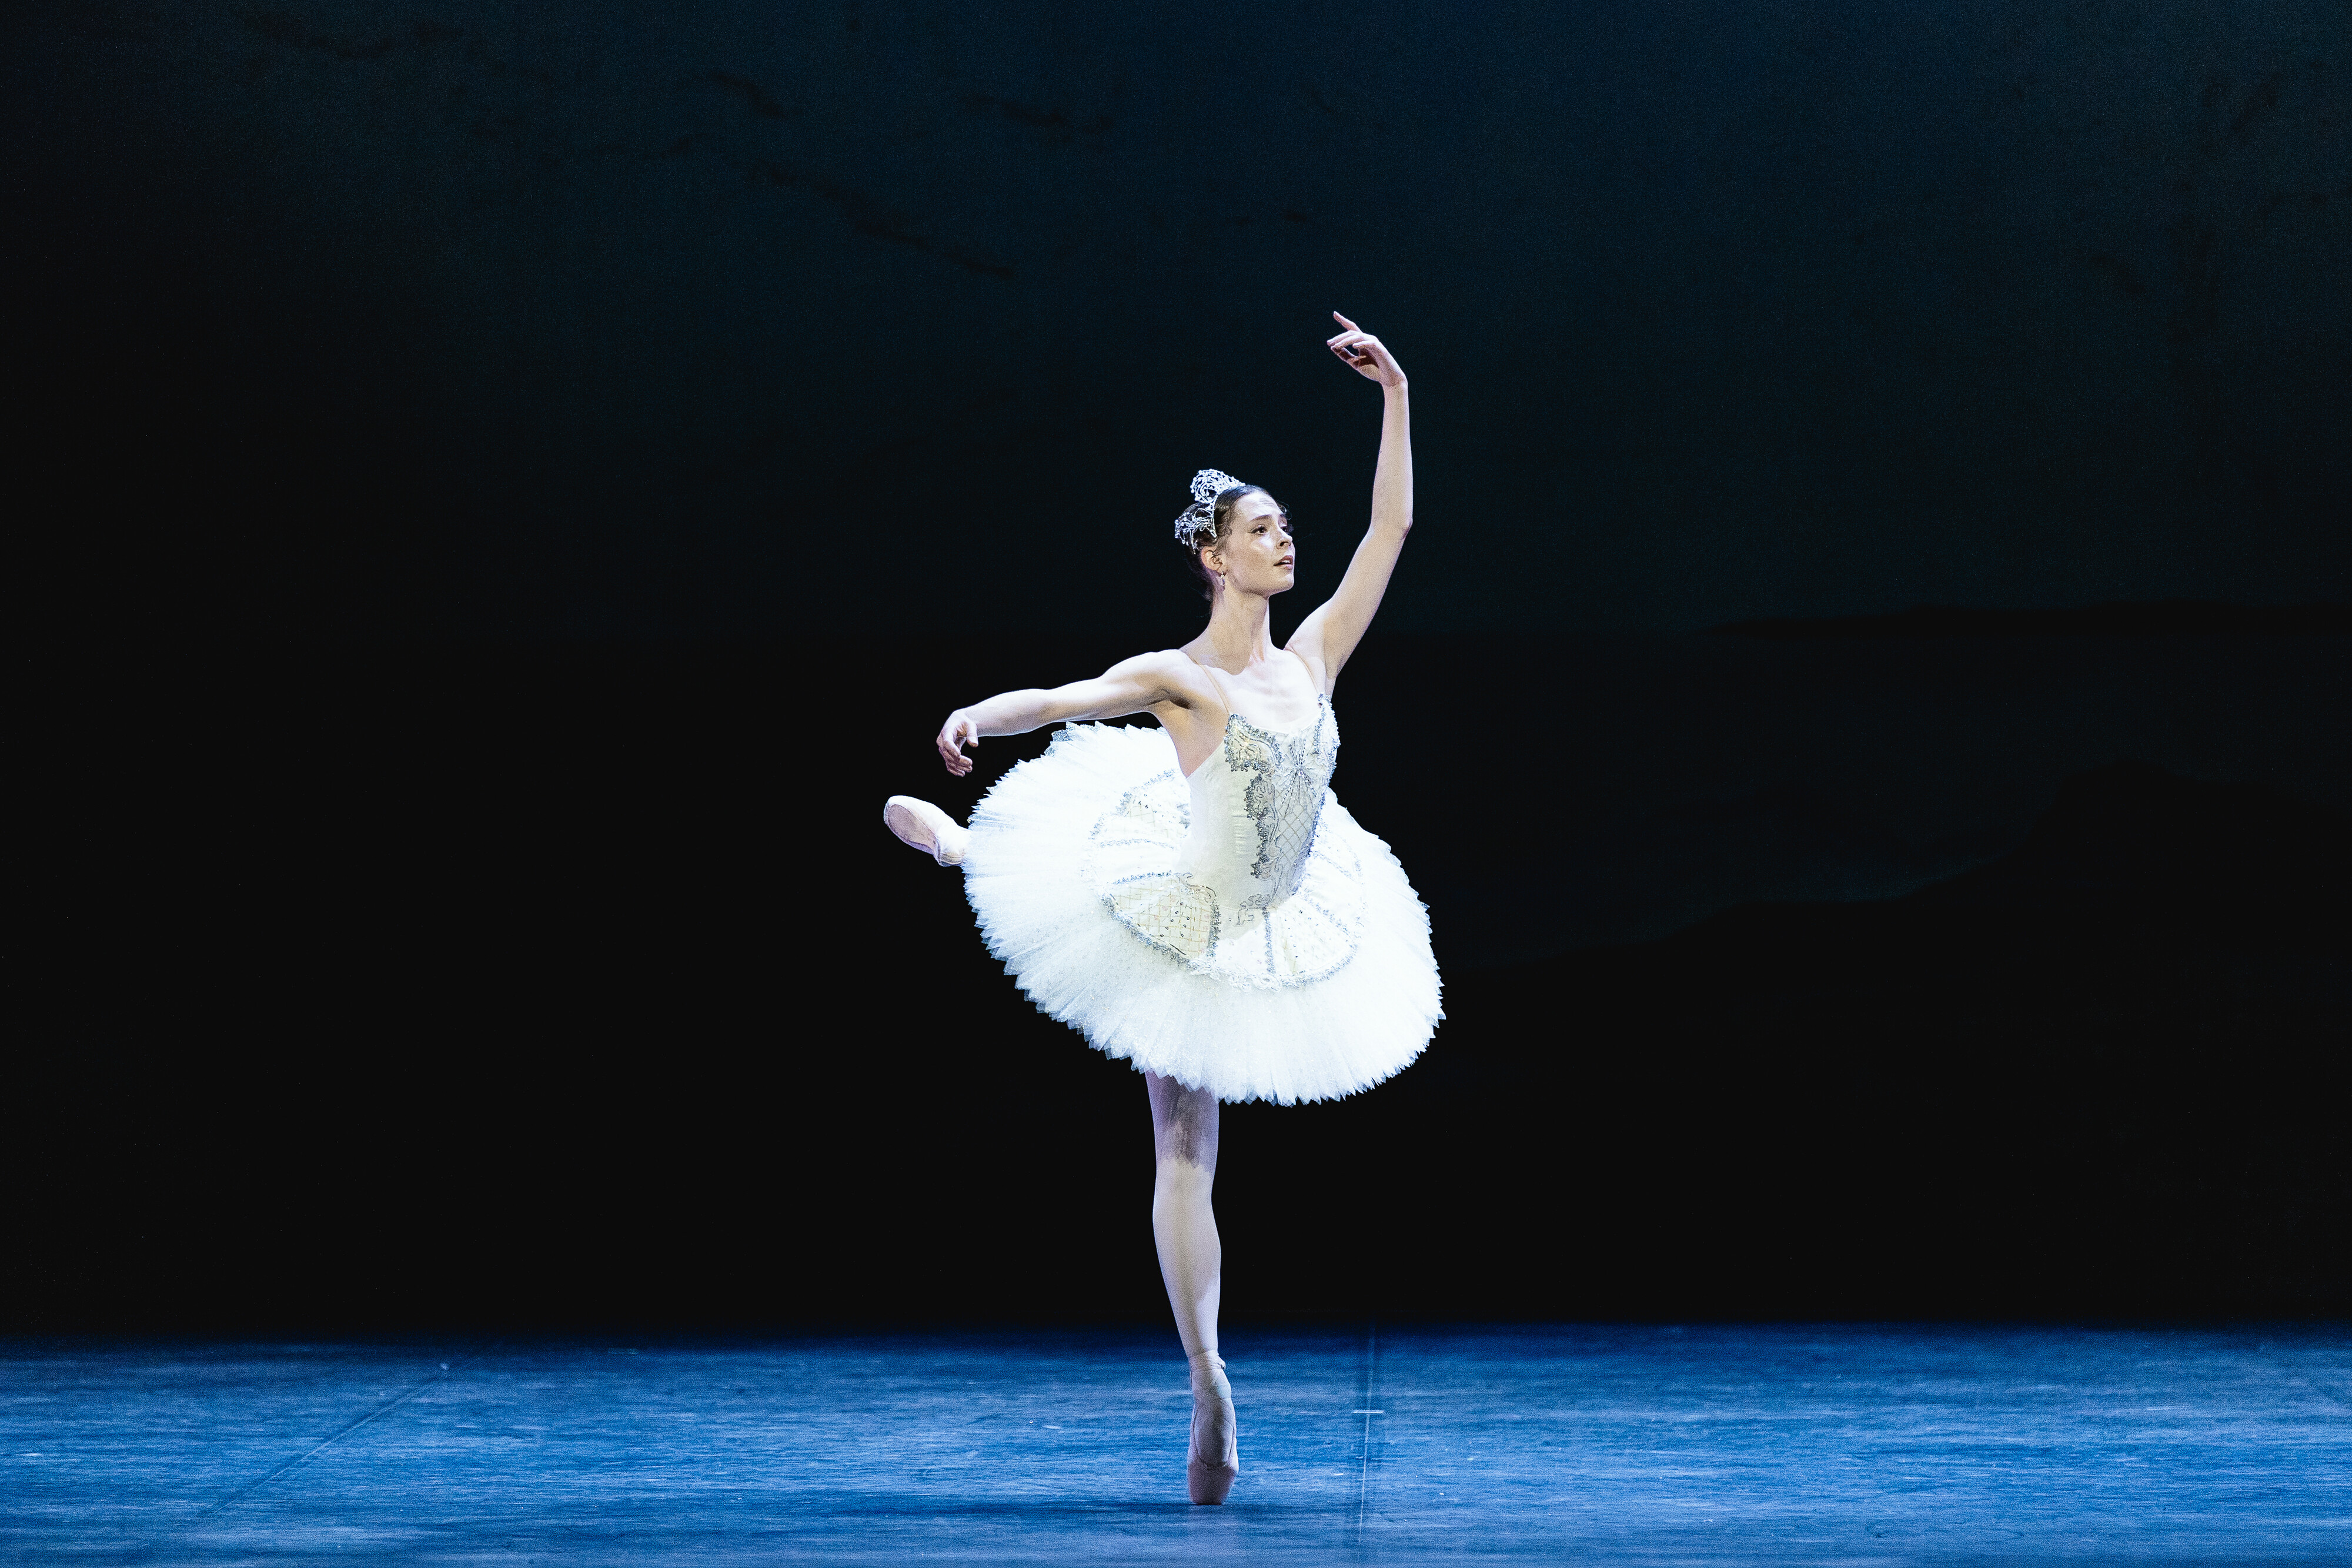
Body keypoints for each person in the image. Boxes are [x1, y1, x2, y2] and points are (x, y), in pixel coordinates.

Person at [882, 312, 1441, 1505]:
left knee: (1195, 1143)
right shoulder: (1177, 677)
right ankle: (1207, 1379)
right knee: (1184, 1147)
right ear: (1214, 557)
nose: (1285, 538)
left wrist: (1393, 388)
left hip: (1290, 907)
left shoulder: (1317, 655)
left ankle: (961, 849)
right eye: (1262, 528)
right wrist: (979, 714)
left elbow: (1390, 525)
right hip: (1187, 912)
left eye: (1286, 524)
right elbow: (1063, 694)